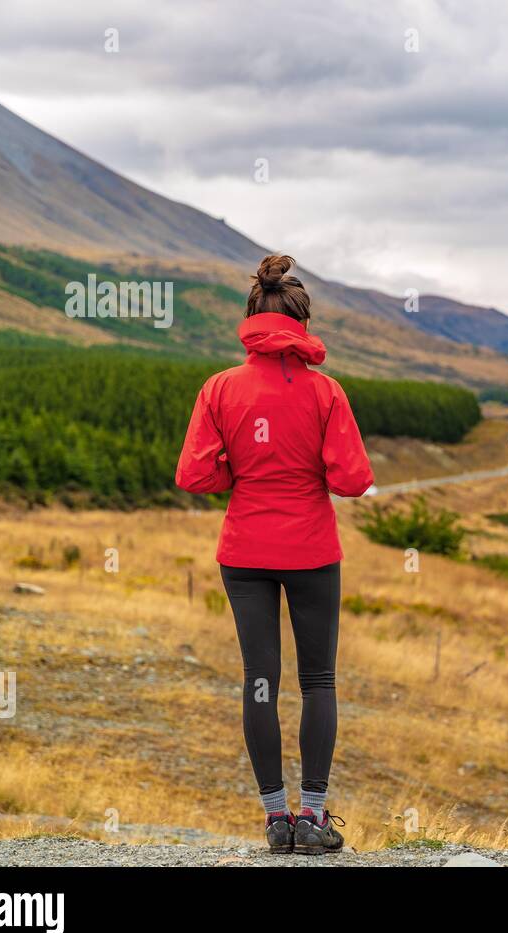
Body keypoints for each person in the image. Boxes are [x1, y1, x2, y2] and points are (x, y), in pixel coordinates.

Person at [175, 254, 375, 853]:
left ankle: (275, 822)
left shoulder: (219, 388)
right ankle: (314, 817)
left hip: (244, 551)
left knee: (259, 680)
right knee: (318, 680)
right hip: (312, 550)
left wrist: (238, 469)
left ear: (250, 321)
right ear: (302, 325)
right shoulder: (326, 393)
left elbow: (193, 475)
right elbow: (352, 479)